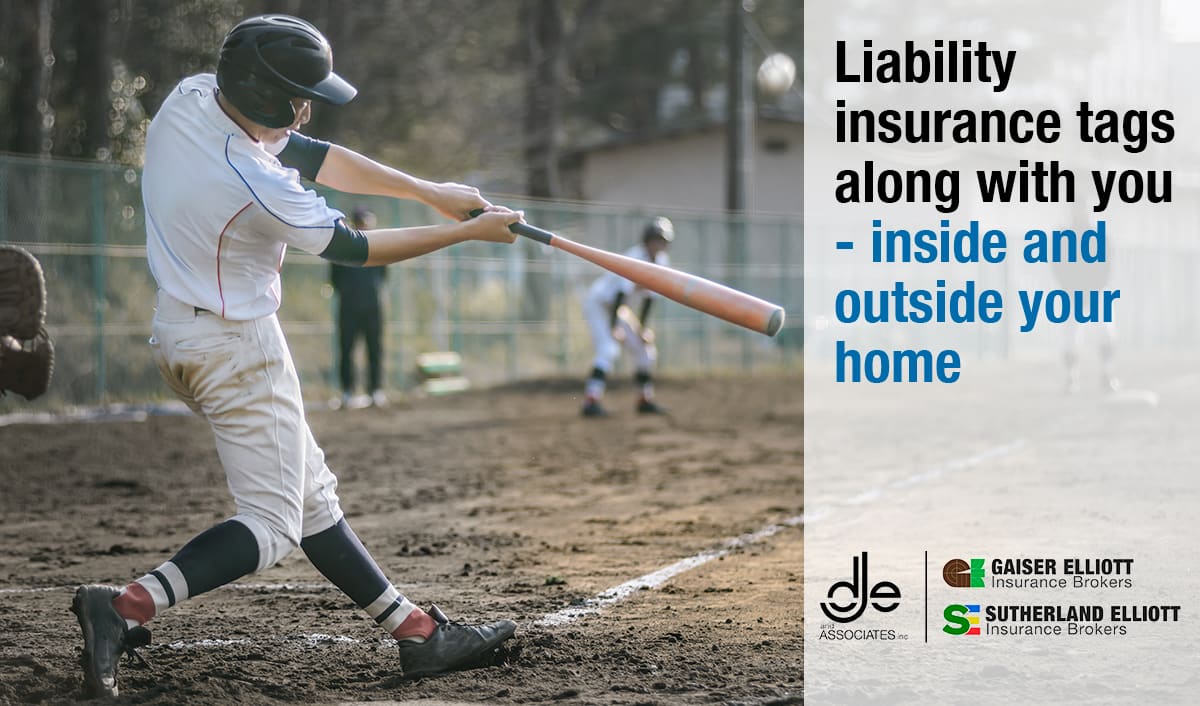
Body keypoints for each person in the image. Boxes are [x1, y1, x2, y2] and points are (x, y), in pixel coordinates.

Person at [71, 15, 523, 698]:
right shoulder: (253, 181)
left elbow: (309, 151)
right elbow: (357, 248)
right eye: (295, 94)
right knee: (274, 524)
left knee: (310, 495)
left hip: (181, 333)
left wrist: (432, 191)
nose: (305, 106)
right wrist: (464, 234)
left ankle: (417, 634)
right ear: (259, 90)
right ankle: (127, 605)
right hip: (237, 349)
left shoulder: (192, 97)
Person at [580, 217, 673, 417]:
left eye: (662, 241)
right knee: (609, 349)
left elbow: (650, 298)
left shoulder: (662, 262)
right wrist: (615, 327)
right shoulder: (635, 257)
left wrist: (642, 329)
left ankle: (644, 400)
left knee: (646, 351)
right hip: (599, 303)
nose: (658, 245)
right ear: (646, 241)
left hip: (618, 308)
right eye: (655, 240)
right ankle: (591, 400)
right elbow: (620, 294)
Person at [331, 207, 389, 408]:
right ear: (356, 224)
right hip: (348, 308)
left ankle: (375, 391)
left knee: (375, 349)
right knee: (346, 350)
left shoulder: (379, 247)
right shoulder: (342, 248)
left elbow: (383, 278)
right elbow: (335, 280)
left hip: (373, 308)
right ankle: (347, 391)